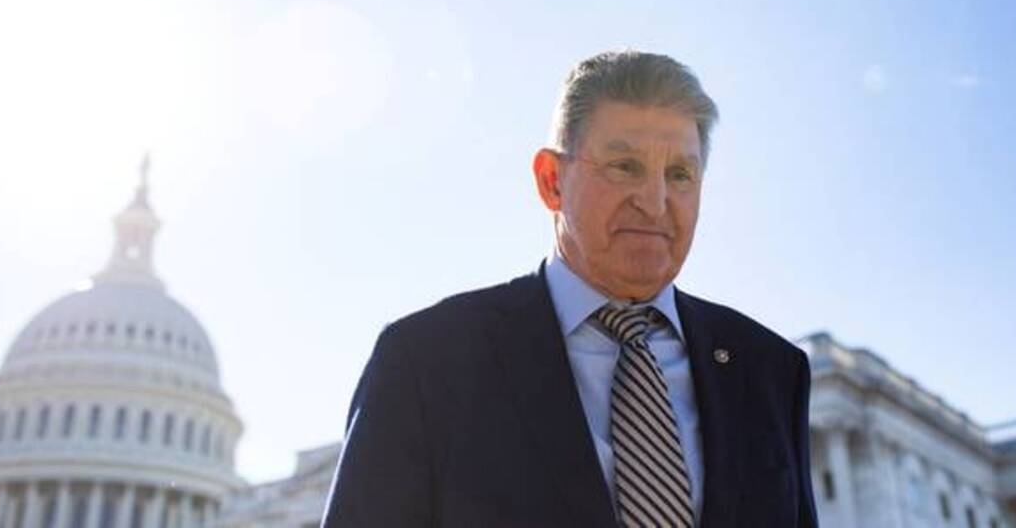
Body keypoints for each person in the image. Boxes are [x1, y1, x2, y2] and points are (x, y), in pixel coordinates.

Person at [322, 50, 818, 527]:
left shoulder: (772, 371)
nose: (655, 201)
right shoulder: (427, 361)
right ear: (551, 180)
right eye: (626, 167)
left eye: (680, 174)